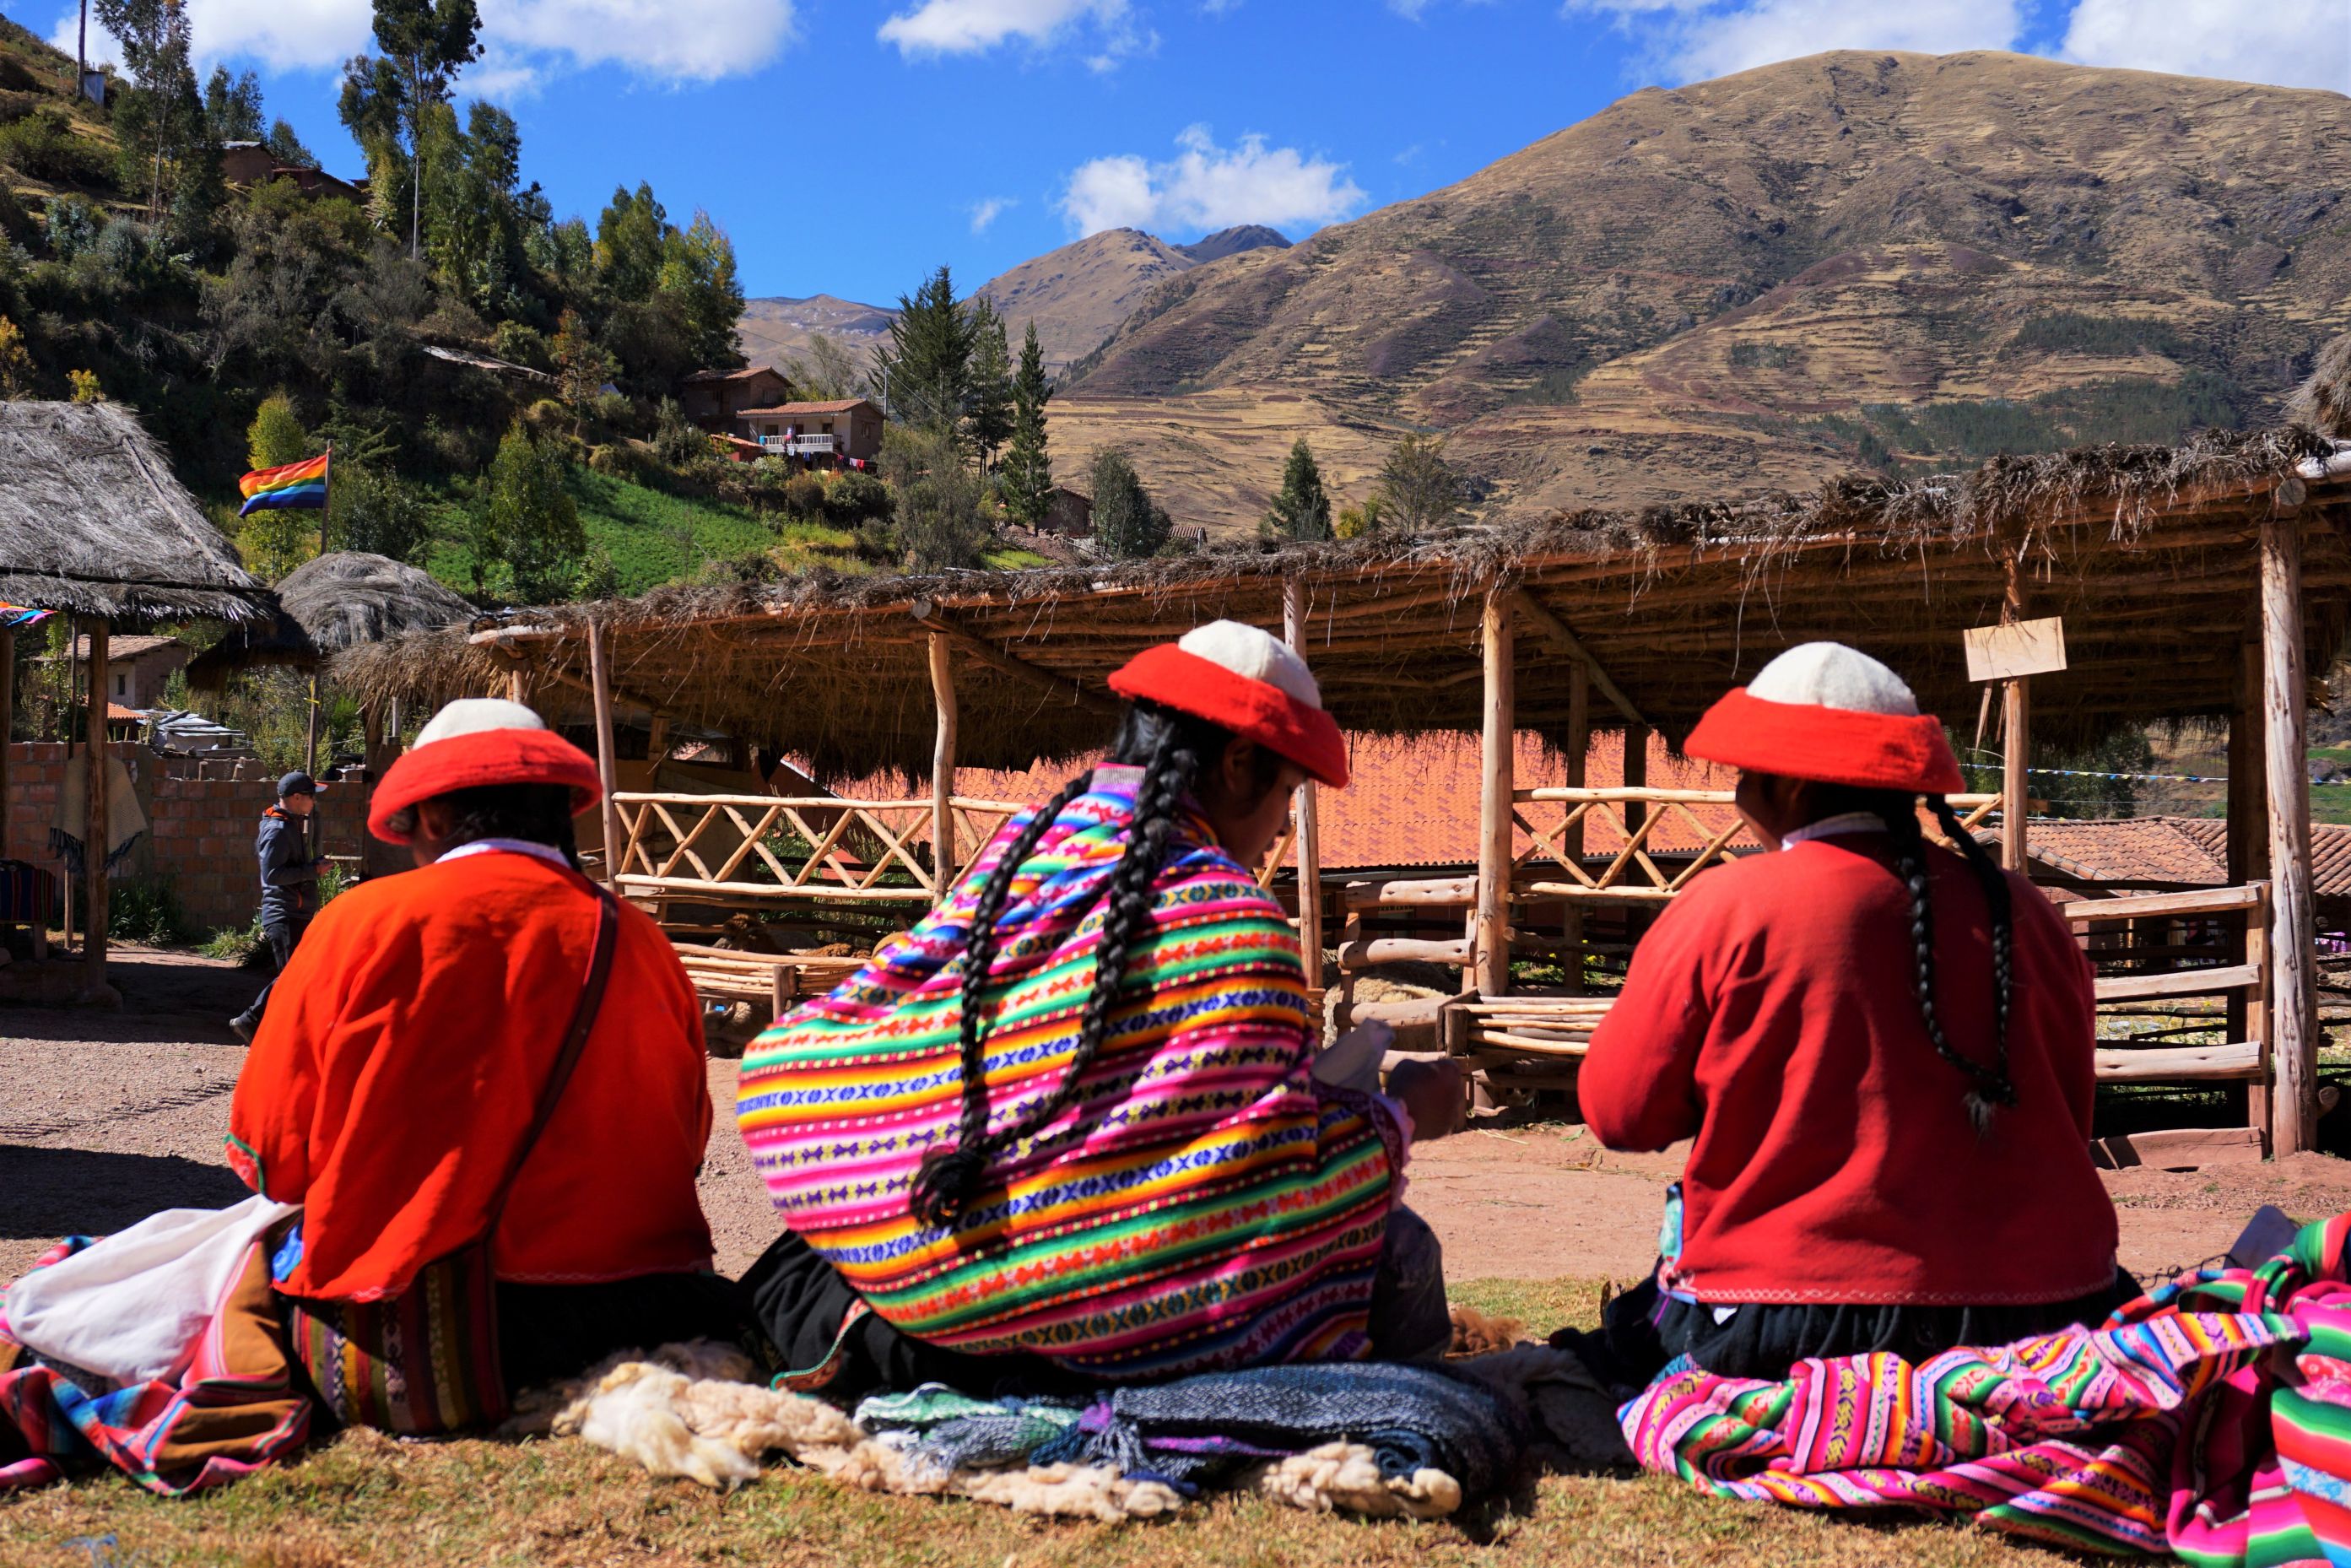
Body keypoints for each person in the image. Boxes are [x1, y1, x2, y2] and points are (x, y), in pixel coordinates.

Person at [736, 620, 1463, 1394]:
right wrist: (1398, 1116)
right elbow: (1253, 1189)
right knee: (1401, 1247)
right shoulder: (1235, 930)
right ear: (1238, 762)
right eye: (1286, 791)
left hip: (904, 1301)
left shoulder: (1025, 851)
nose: (1283, 823)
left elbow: (804, 1059)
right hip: (1070, 1340)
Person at [1570, 642, 2127, 1389]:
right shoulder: (2025, 913)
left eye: (1745, 775)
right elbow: (2066, 1111)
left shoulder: (1730, 905)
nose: (1739, 795)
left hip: (1795, 1314)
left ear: (1791, 783)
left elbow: (1621, 1115)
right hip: (2054, 1313)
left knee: (1592, 1360)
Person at [224, 699, 739, 1408]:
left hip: (431, 1345)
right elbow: (688, 1147)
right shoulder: (643, 943)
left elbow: (269, 1158)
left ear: (433, 818)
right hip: (644, 1319)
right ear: (560, 813)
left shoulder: (360, 923)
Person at [228, 771, 326, 1043]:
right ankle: (250, 1022)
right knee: (293, 976)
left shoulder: (288, 824)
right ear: (297, 797)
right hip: (285, 913)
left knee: (296, 975)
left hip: (294, 911)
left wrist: (311, 867)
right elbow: (272, 875)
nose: (314, 802)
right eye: (311, 796)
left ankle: (271, 1028)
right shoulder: (278, 829)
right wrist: (312, 871)